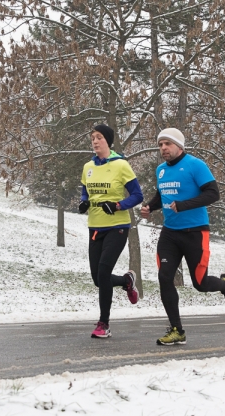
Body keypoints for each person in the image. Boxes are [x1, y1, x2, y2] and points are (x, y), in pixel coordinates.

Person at [141, 128, 225, 345]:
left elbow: (213, 193)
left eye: (167, 144)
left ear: (179, 146)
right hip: (170, 234)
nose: (163, 148)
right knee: (165, 277)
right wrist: (150, 207)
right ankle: (177, 330)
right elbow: (161, 195)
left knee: (200, 283)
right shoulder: (161, 170)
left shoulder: (196, 165)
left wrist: (184, 205)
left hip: (195, 233)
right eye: (160, 144)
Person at [79, 124, 143, 338]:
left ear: (108, 141)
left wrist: (117, 205)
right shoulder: (88, 166)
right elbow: (84, 192)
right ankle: (126, 281)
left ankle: (103, 324)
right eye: (92, 138)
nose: (95, 141)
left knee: (104, 272)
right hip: (95, 227)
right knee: (98, 279)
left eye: (99, 138)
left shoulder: (121, 165)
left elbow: (137, 196)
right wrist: (84, 202)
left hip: (117, 227)